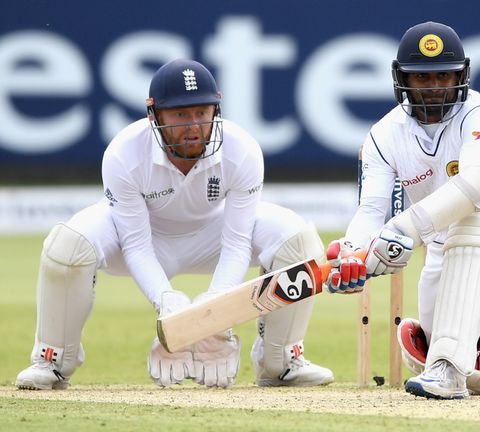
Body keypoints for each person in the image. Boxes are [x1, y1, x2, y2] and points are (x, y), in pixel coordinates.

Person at [15, 59, 333, 390]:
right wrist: (169, 307)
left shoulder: (243, 151)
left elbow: (238, 241)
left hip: (212, 236)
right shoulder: (124, 153)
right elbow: (136, 244)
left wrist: (213, 317)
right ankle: (51, 361)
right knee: (67, 247)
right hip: (137, 239)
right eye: (181, 114)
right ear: (154, 115)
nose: (194, 125)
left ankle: (280, 362)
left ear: (216, 109)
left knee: (298, 240)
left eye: (201, 112)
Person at [325, 22, 480, 399]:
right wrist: (354, 252)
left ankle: (449, 372)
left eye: (443, 76)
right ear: (403, 80)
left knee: (473, 221)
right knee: (425, 344)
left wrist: (403, 231)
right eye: (422, 77)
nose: (433, 87)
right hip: (443, 247)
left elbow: (479, 185)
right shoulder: (384, 135)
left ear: (460, 76)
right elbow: (370, 210)